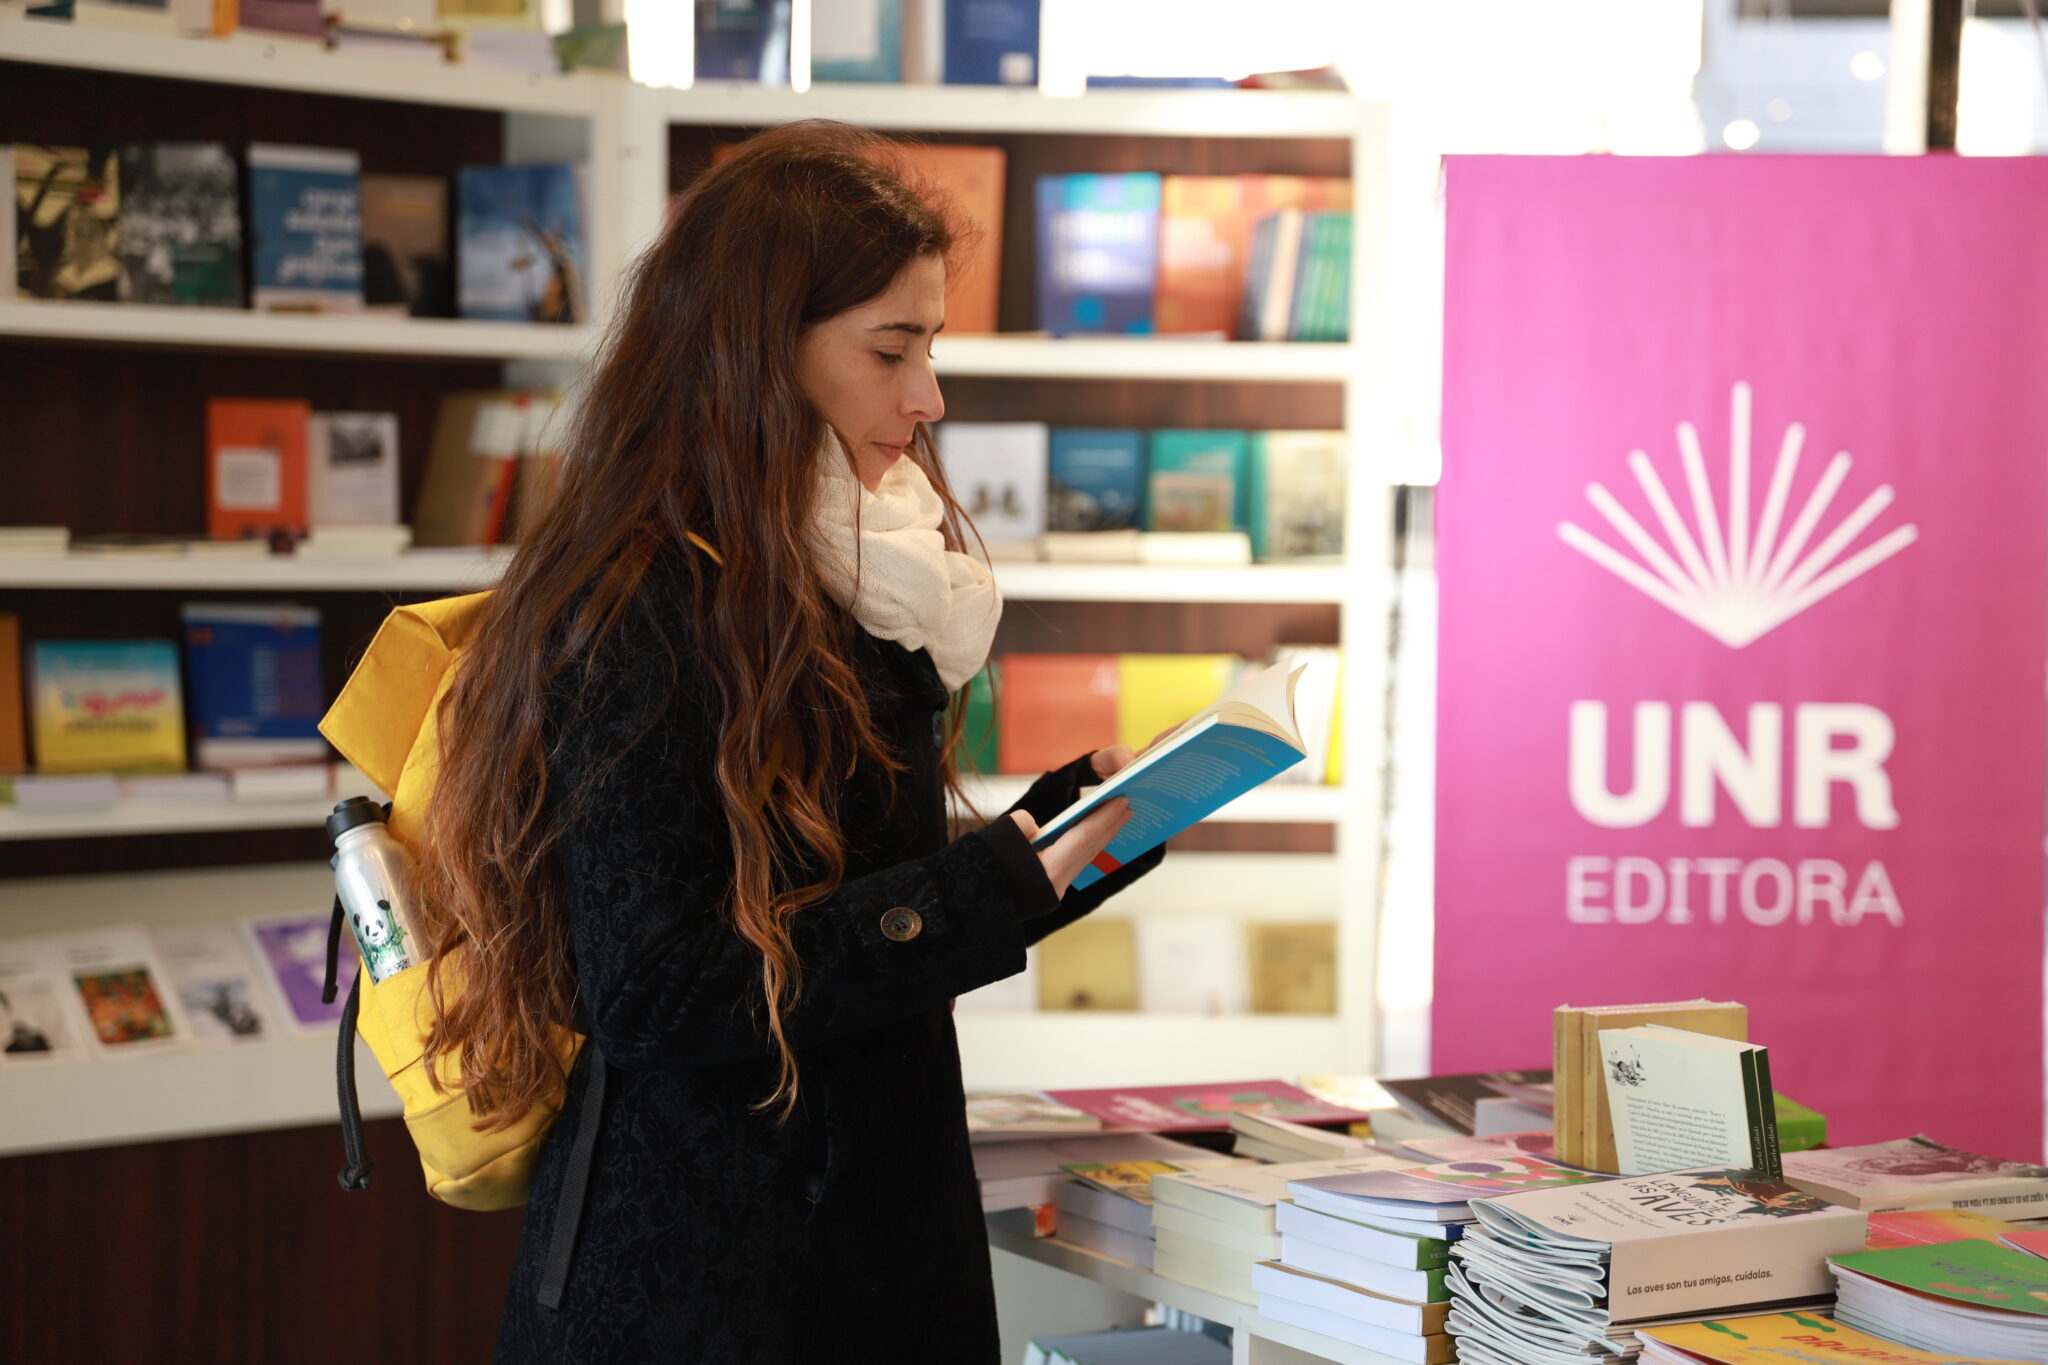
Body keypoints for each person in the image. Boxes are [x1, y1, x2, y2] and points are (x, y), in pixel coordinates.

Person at [409, 121, 1168, 1364]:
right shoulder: (641, 601)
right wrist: (985, 892)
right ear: (756, 350)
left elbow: (838, 892)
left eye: (930, 345)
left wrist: (1044, 847)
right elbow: (656, 991)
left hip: (853, 1239)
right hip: (712, 1279)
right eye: (891, 349)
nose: (927, 397)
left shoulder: (851, 569)